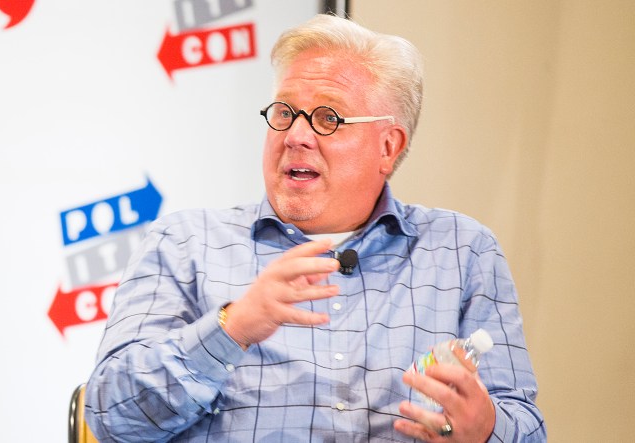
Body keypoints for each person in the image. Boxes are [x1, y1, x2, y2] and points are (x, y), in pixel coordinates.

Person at [85, 13, 546, 442]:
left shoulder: (462, 253)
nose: (296, 136)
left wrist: (484, 428)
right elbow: (109, 417)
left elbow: (527, 427)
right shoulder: (184, 244)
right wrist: (232, 327)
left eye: (328, 118)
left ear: (388, 147)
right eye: (284, 112)